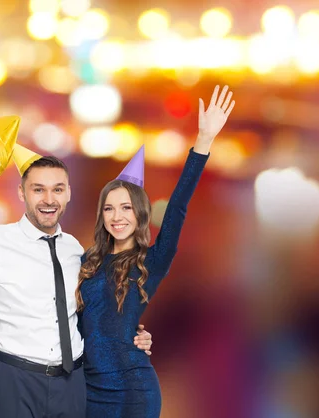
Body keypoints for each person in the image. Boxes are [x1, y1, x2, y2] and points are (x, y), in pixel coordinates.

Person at [0, 145, 153, 418]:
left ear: (68, 193)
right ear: (22, 193)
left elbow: (86, 314)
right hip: (14, 380)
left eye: (57, 189)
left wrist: (130, 334)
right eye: (38, 189)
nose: (49, 199)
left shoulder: (74, 249)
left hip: (72, 383)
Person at [76, 85, 235, 417]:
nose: (117, 217)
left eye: (126, 209)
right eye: (110, 209)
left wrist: (203, 141)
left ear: (140, 215)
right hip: (88, 388)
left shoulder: (153, 259)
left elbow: (177, 206)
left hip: (134, 389)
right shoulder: (84, 261)